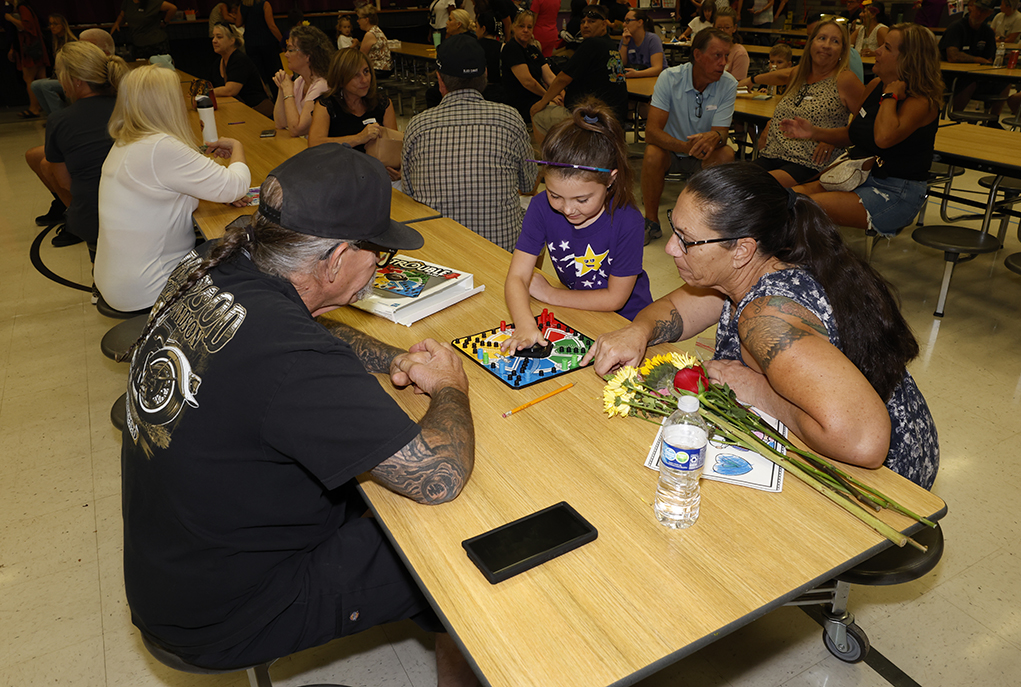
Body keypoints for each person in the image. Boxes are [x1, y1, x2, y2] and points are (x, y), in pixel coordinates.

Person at [120, 143, 479, 686]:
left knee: (368, 496)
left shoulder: (213, 264)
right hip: (224, 615)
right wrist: (451, 388)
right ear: (334, 258)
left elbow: (310, 328)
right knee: (460, 552)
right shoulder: (289, 357)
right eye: (375, 255)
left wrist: (392, 360)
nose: (378, 268)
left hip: (174, 570)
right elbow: (438, 476)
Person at [584, 163, 939, 489]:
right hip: (866, 437)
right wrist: (638, 331)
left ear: (741, 250)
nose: (671, 248)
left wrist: (758, 392)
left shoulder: (769, 319)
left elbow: (864, 441)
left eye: (687, 240)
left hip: (888, 476)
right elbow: (677, 308)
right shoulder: (758, 262)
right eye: (674, 229)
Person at [97, 65, 250, 313]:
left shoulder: (128, 141)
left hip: (119, 281)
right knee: (246, 267)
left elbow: (170, 189)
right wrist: (237, 148)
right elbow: (235, 186)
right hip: (150, 288)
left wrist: (212, 186)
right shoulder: (160, 146)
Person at [503, 101, 652, 353]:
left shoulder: (628, 221)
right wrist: (525, 324)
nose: (568, 209)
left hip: (627, 324)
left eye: (582, 200)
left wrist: (551, 295)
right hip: (578, 312)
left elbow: (615, 298)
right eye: (555, 195)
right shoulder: (541, 207)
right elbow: (517, 277)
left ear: (611, 180)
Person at [783, 23, 943, 237]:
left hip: (894, 191)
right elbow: (853, 133)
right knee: (785, 197)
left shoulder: (922, 102)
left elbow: (884, 138)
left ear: (908, 59)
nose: (876, 51)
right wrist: (813, 132)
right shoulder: (875, 84)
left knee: (799, 207)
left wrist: (890, 96)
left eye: (886, 48)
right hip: (860, 175)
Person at [403, 34, 537, 252]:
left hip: (437, 254)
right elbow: (528, 184)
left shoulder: (418, 125)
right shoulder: (510, 118)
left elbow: (410, 193)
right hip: (501, 253)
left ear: (440, 80)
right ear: (485, 75)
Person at [25, 41, 126, 262]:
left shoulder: (59, 120)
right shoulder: (129, 106)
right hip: (140, 211)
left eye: (59, 74)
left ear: (77, 81)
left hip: (97, 221)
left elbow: (64, 182)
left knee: (52, 168)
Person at [736, 18, 863, 188]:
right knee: (730, 181)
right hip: (773, 155)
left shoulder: (845, 80)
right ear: (811, 43)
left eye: (835, 41)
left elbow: (866, 124)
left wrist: (834, 139)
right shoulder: (798, 75)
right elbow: (785, 89)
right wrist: (771, 122)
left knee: (753, 186)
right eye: (822, 38)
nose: (826, 45)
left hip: (809, 163)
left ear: (842, 51)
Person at [640, 28, 737, 244]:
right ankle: (651, 222)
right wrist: (686, 147)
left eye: (726, 56)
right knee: (652, 153)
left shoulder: (728, 84)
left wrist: (717, 137)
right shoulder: (669, 78)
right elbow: (651, 132)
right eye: (717, 55)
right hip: (672, 152)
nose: (723, 63)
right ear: (697, 55)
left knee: (726, 153)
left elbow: (722, 132)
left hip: (705, 155)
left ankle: (705, 224)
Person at [529, 6, 628, 141]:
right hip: (612, 118)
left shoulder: (592, 44)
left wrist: (542, 102)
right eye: (583, 22)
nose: (586, 25)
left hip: (591, 119)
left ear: (604, 24)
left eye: (592, 22)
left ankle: (549, 158)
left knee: (538, 114)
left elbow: (563, 79)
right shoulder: (610, 45)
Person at [309, 48, 401, 181]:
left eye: (366, 72)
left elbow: (394, 148)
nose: (364, 80)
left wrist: (399, 171)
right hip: (339, 176)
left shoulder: (382, 104)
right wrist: (358, 138)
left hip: (376, 176)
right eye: (355, 75)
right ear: (341, 79)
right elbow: (315, 144)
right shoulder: (326, 105)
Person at [939, 0, 1007, 123]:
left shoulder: (987, 32)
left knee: (1004, 82)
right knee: (969, 82)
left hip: (978, 76)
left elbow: (989, 59)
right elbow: (952, 56)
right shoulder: (957, 27)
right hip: (951, 77)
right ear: (970, 7)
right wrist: (977, 59)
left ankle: (993, 122)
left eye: (985, 11)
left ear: (990, 13)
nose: (980, 14)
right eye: (978, 9)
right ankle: (957, 117)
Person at [272, 24, 333, 136]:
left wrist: (288, 92)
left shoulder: (322, 86)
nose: (286, 55)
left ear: (307, 56)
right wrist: (282, 89)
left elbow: (297, 130)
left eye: (290, 50)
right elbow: (280, 123)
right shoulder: (300, 81)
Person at [502, 10, 561, 123]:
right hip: (521, 102)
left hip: (539, 98)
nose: (525, 30)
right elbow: (527, 82)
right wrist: (549, 96)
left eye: (529, 27)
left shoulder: (533, 49)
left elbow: (550, 77)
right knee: (556, 109)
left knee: (563, 103)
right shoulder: (511, 48)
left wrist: (562, 93)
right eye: (521, 26)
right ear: (514, 27)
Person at [211, 22, 273, 117]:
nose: (214, 41)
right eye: (213, 37)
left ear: (232, 40)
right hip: (240, 111)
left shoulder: (239, 60)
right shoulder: (219, 61)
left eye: (219, 37)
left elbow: (230, 90)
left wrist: (206, 92)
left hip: (257, 112)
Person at [5, 0, 49, 118]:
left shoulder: (22, 8)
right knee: (42, 78)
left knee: (29, 78)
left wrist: (10, 18)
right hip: (33, 47)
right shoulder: (23, 7)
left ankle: (34, 108)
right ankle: (45, 107)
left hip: (30, 48)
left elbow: (26, 27)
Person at [27, 13, 75, 117]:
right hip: (58, 76)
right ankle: (53, 116)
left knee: (46, 86)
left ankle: (60, 117)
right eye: (50, 24)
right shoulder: (56, 41)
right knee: (35, 85)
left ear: (62, 25)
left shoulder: (71, 42)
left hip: (70, 78)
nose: (52, 27)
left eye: (55, 24)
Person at [237, 0, 283, 98]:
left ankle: (265, 98)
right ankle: (278, 97)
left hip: (250, 43)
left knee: (258, 75)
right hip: (267, 43)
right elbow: (271, 26)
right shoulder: (264, 4)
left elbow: (238, 23)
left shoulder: (243, 5)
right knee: (273, 72)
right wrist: (282, 41)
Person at [111, 0, 176, 61]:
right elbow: (122, 15)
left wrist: (165, 22)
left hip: (156, 45)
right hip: (137, 44)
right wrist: (117, 23)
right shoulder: (127, 2)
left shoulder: (153, 2)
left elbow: (172, 8)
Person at [621, 9, 664, 79]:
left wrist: (636, 74)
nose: (624, 24)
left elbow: (657, 69)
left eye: (628, 21)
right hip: (637, 79)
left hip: (656, 79)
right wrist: (624, 44)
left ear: (640, 22)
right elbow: (621, 64)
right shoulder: (625, 38)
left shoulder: (652, 39)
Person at [357, 6, 393, 80]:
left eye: (359, 18)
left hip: (378, 69)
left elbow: (361, 56)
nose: (357, 21)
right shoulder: (377, 30)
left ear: (366, 20)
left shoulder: (370, 34)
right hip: (386, 67)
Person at [715, 8, 748, 81]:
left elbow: (737, 84)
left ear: (734, 28)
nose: (722, 31)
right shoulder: (709, 49)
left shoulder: (740, 53)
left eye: (727, 28)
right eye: (719, 27)